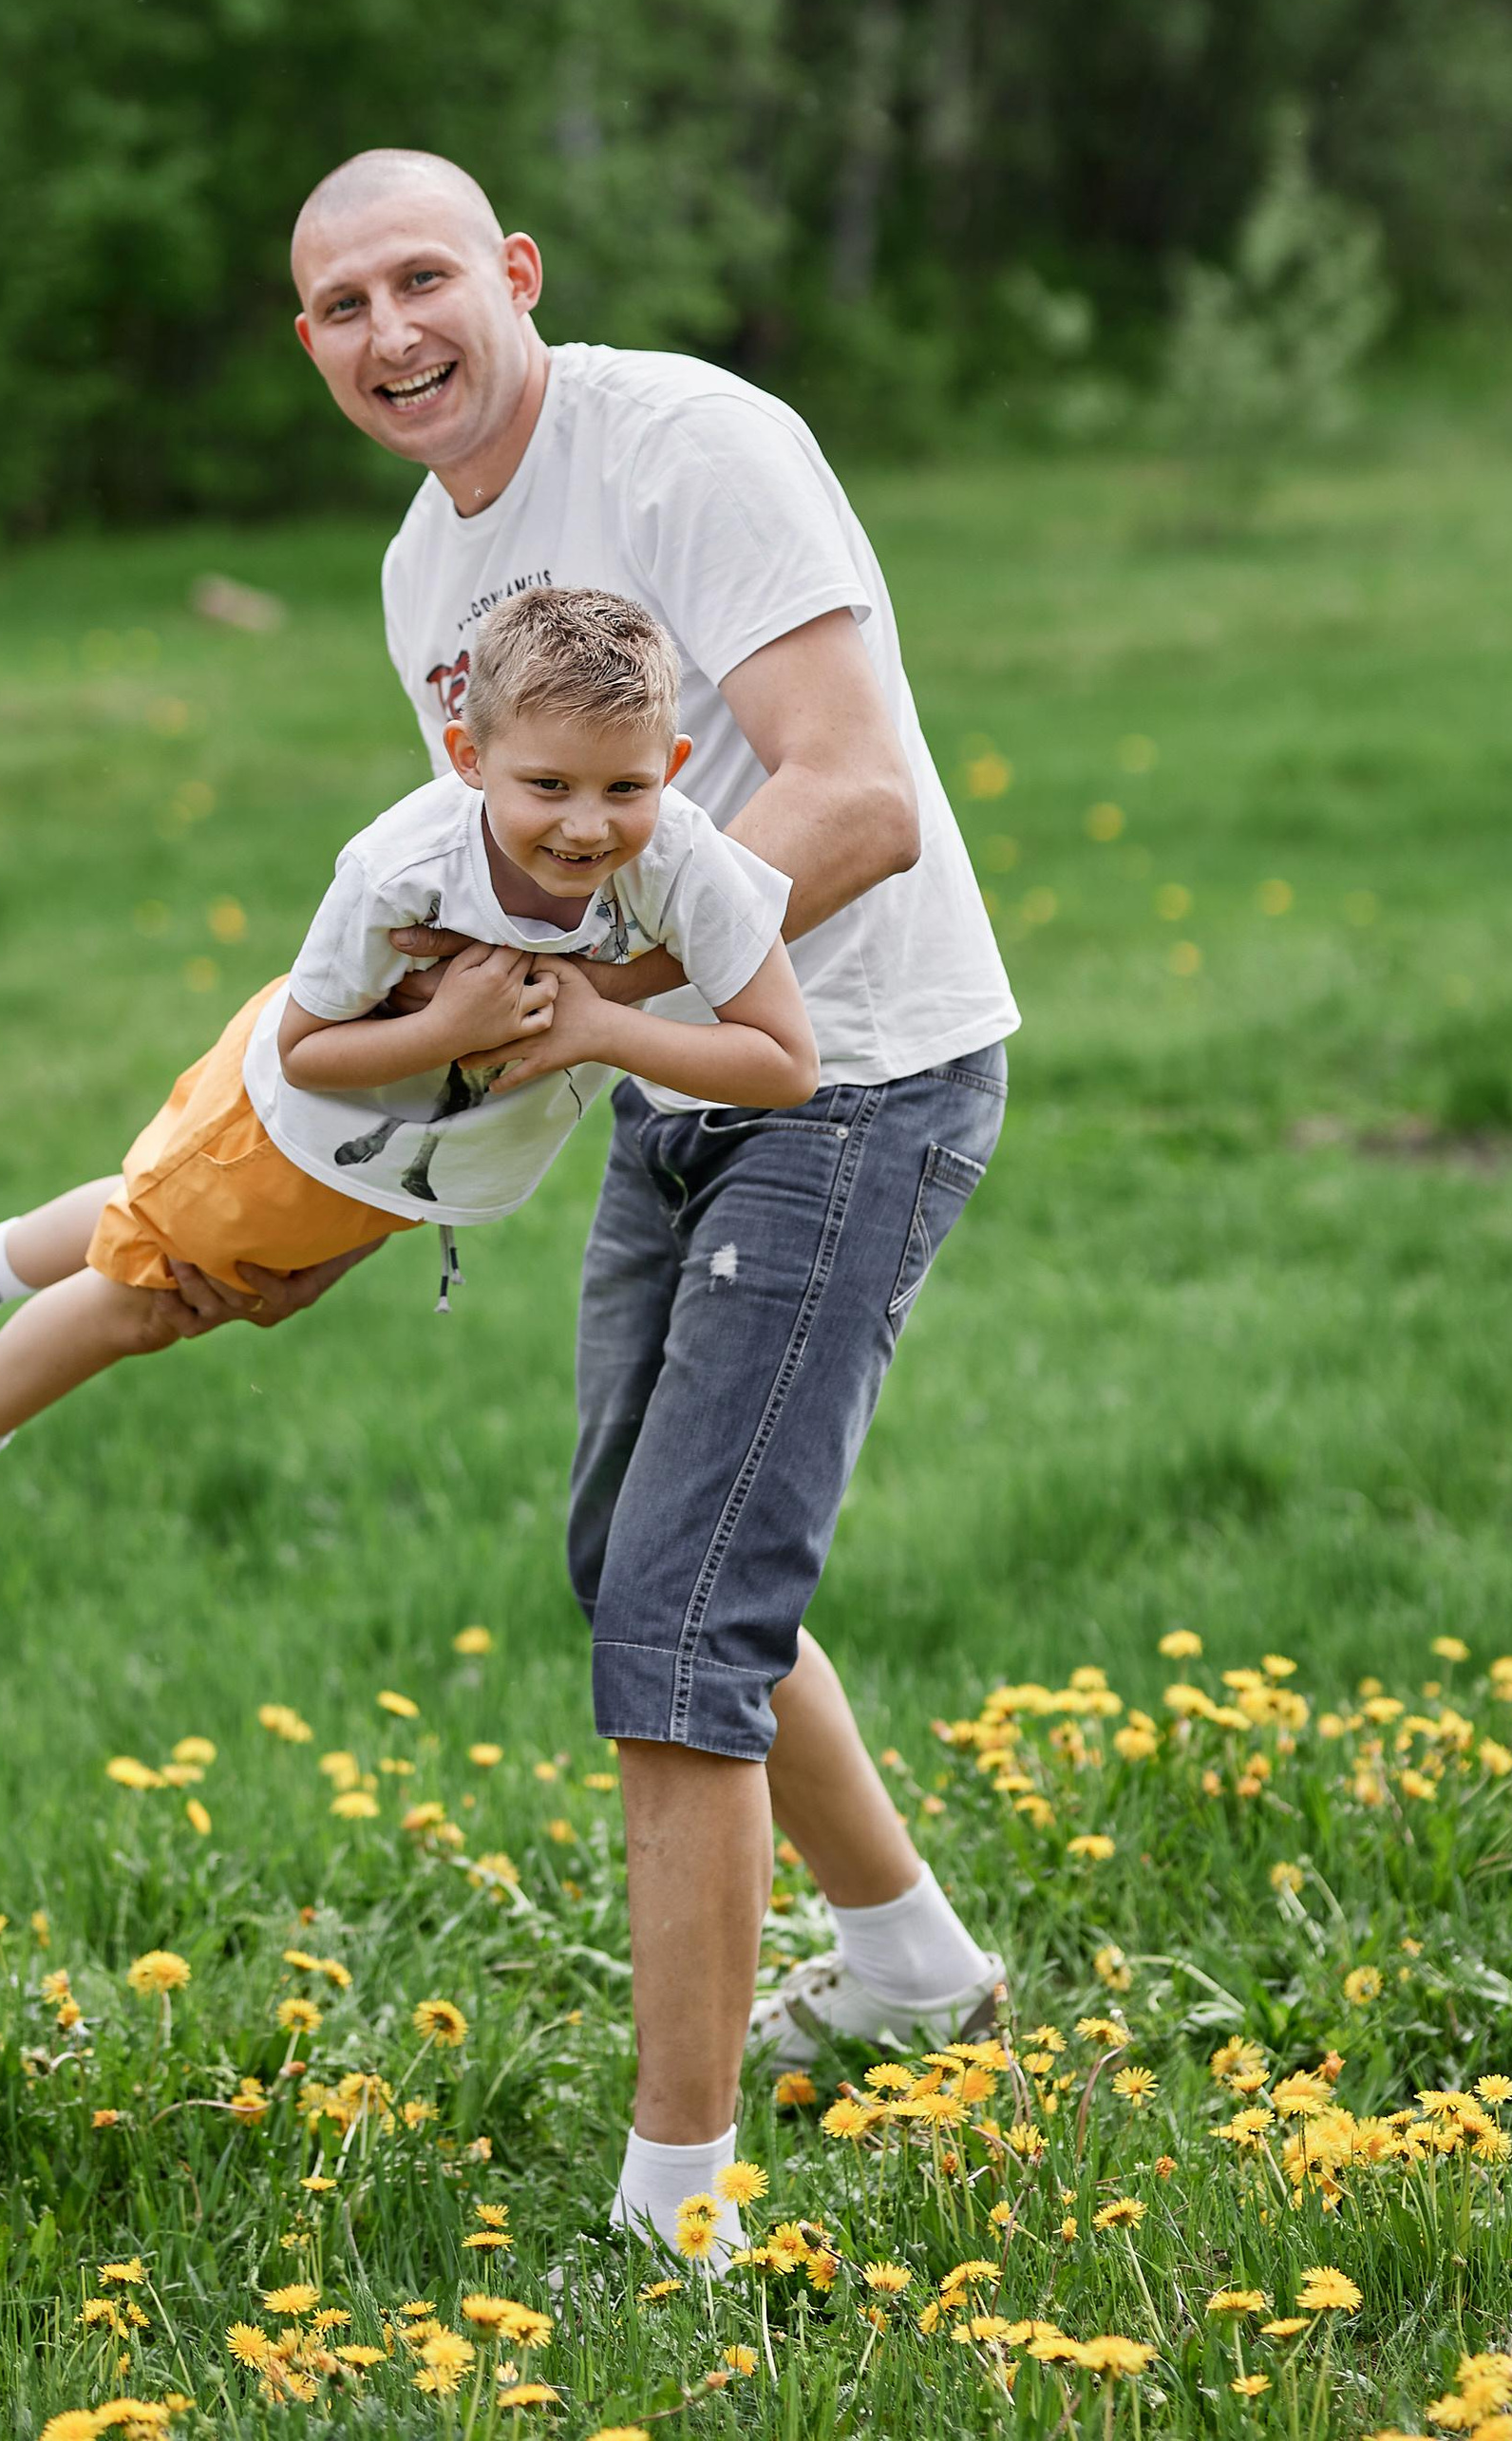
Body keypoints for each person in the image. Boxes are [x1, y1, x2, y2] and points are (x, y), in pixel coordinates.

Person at [180, 145, 1021, 2262]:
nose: (391, 334)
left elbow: (856, 799)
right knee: (632, 1555)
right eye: (341, 306)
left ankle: (676, 2204)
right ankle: (910, 1966)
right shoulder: (415, 577)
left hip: (854, 1068)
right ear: (310, 347)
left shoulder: (694, 447)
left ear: (514, 272)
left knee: (677, 1624)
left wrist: (591, 1001)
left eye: (421, 280)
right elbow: (493, 882)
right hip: (658, 1077)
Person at [0, 587, 817, 1645]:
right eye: (547, 785)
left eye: (623, 787)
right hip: (289, 1126)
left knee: (146, 1211)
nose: (587, 825)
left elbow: (783, 1061)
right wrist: (451, 1025)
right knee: (152, 1291)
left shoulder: (679, 855)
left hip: (403, 1160)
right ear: (467, 756)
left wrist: (596, 1028)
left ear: (672, 768)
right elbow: (308, 1050)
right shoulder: (400, 868)